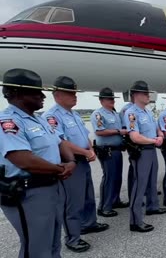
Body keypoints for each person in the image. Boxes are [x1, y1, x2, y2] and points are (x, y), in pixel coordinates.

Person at [0, 68, 76, 258]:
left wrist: (71, 161)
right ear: (16, 93)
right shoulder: (9, 121)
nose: (43, 96)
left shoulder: (39, 120)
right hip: (29, 194)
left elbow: (61, 142)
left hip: (52, 187)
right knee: (36, 246)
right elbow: (23, 159)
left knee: (52, 242)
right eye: (35, 92)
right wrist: (60, 168)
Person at [43, 76, 108, 252]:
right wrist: (85, 152)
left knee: (87, 196)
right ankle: (72, 238)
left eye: (75, 92)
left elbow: (84, 136)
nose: (74, 96)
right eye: (70, 93)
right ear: (57, 95)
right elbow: (61, 142)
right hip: (70, 163)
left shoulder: (74, 114)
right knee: (72, 202)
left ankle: (88, 223)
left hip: (83, 161)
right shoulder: (52, 116)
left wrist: (90, 149)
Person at [124, 80, 166, 233]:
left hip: (151, 149)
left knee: (151, 181)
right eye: (145, 93)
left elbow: (157, 128)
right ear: (135, 95)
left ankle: (152, 207)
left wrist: (160, 135)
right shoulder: (131, 113)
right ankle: (135, 221)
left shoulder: (148, 111)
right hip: (142, 151)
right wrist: (154, 140)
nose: (148, 95)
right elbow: (135, 137)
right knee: (139, 186)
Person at [90, 87, 129, 218]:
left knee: (117, 177)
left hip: (117, 150)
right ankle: (104, 207)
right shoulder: (98, 114)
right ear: (101, 100)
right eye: (109, 99)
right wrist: (118, 132)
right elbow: (99, 131)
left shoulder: (114, 113)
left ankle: (115, 200)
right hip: (107, 150)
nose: (112, 101)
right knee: (109, 178)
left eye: (112, 98)